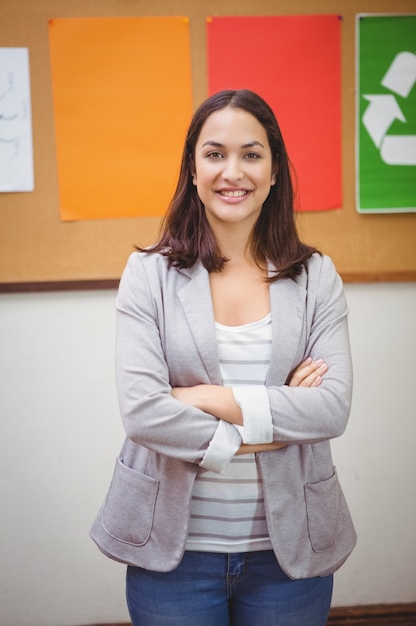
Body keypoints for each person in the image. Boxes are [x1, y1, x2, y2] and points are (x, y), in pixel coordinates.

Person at [90, 89, 356, 626]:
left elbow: (331, 409)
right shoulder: (149, 274)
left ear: (275, 170)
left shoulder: (315, 276)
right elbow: (143, 411)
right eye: (215, 154)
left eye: (251, 154)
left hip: (288, 555)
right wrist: (268, 428)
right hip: (175, 554)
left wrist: (207, 398)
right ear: (192, 169)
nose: (232, 171)